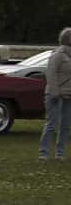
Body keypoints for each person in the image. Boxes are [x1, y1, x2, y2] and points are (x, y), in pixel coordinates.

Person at [42, 27, 71, 160]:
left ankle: (60, 153)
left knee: (65, 125)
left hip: (68, 95)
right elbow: (51, 74)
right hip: (55, 95)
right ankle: (44, 152)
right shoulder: (58, 54)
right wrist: (55, 93)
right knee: (51, 124)